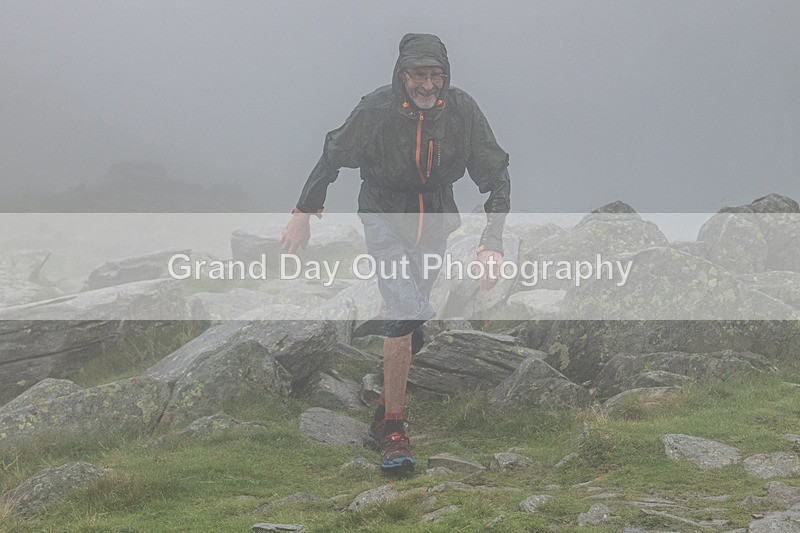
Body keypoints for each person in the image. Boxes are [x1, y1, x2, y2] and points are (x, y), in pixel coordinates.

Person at [281, 33, 510, 473]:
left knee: (415, 320)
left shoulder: (461, 111)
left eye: (435, 75)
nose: (428, 85)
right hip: (384, 216)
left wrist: (492, 242)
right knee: (404, 308)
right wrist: (303, 211)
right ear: (402, 75)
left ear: (446, 76)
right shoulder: (376, 110)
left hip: (437, 220)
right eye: (418, 75)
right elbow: (333, 156)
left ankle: (381, 412)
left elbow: (496, 174)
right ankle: (393, 430)